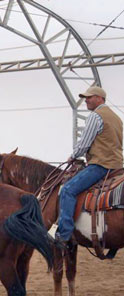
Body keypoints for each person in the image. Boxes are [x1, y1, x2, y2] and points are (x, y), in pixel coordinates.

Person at [55, 86, 123, 247]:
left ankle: (64, 235)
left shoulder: (95, 116)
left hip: (100, 165)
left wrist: (73, 156)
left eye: (89, 97)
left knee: (67, 190)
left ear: (100, 98)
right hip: (117, 166)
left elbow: (84, 143)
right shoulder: (116, 118)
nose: (86, 100)